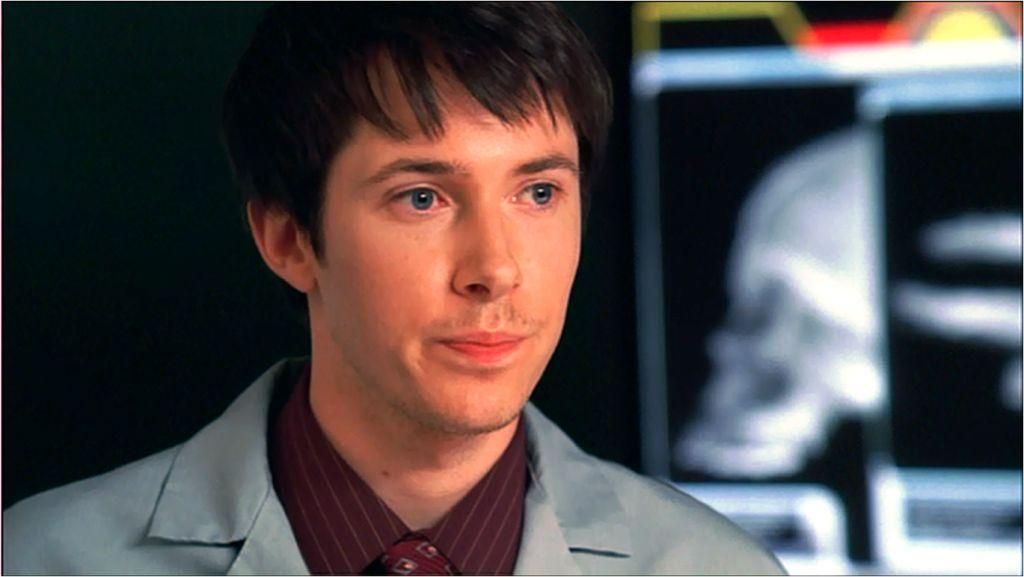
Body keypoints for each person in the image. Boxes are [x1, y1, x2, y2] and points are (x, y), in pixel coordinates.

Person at [3, 4, 785, 575]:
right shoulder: (41, 560)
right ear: (287, 238)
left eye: (539, 192)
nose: (496, 268)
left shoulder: (717, 568)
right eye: (422, 197)